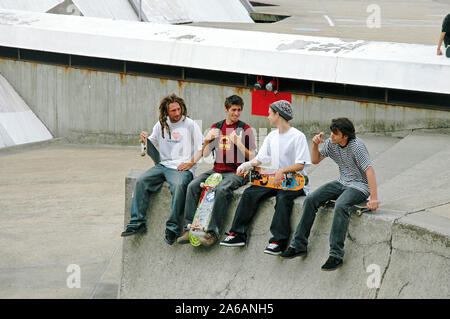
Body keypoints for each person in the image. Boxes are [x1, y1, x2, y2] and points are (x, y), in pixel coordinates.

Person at [281, 118, 380, 271]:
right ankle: (298, 245)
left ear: (345, 136)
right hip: (342, 182)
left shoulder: (357, 146)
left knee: (341, 205)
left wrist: (374, 199)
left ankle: (336, 255)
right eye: (332, 132)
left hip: (360, 186)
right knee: (311, 199)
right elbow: (315, 160)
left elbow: (369, 170)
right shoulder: (331, 143)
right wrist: (314, 145)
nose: (331, 136)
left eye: (335, 133)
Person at [220, 100, 311, 255]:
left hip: (295, 183)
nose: (267, 116)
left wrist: (282, 170)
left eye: (269, 113)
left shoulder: (298, 136)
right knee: (250, 193)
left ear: (278, 114)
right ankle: (237, 234)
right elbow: (260, 158)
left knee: (282, 199)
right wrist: (246, 165)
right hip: (274, 181)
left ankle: (278, 241)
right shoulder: (272, 136)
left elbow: (301, 164)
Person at [121, 94, 204, 245]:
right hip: (163, 165)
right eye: (173, 110)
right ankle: (137, 222)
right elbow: (149, 145)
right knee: (141, 181)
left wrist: (191, 163)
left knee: (179, 187)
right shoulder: (160, 125)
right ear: (166, 112)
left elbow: (202, 147)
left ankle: (172, 228)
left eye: (179, 109)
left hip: (182, 167)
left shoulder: (190, 124)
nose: (177, 113)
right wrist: (143, 139)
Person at [177, 95, 256, 246]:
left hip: (237, 173)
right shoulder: (217, 127)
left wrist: (238, 143)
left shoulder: (245, 129)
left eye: (239, 110)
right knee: (193, 185)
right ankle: (188, 228)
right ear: (226, 109)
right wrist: (207, 140)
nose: (236, 113)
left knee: (221, 189)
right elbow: (206, 153)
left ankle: (212, 233)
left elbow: (252, 156)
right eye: (233, 110)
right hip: (216, 169)